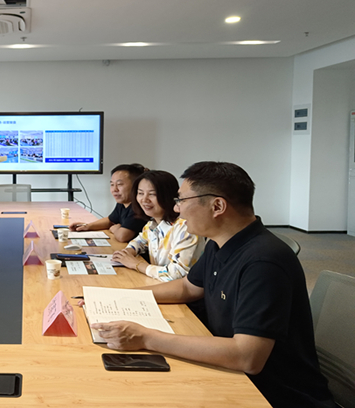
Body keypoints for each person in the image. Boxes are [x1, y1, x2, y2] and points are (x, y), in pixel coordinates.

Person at [92, 162, 335, 408]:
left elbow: (247, 357)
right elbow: (187, 287)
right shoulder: (220, 243)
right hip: (230, 368)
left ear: (217, 206)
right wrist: (121, 296)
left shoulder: (264, 261)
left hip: (271, 393)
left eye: (181, 200)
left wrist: (145, 337)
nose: (176, 209)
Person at [111, 170, 204, 281]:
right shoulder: (152, 224)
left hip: (178, 289)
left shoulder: (185, 227)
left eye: (152, 194)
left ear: (169, 196)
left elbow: (177, 274)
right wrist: (128, 252)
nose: (144, 199)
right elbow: (139, 241)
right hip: (157, 283)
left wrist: (136, 264)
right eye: (140, 193)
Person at [70, 163, 149, 242]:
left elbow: (123, 236)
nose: (114, 189)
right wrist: (87, 226)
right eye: (112, 184)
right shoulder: (123, 202)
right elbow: (110, 220)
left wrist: (115, 229)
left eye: (119, 184)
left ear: (136, 186)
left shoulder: (139, 206)